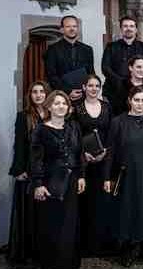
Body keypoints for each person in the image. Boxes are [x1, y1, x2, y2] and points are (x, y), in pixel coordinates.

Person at [103, 86, 143, 267]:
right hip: (126, 175)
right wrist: (107, 177)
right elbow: (110, 152)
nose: (140, 104)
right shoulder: (118, 122)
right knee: (127, 211)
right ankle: (128, 250)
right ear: (130, 100)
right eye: (136, 100)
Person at [31, 90, 86, 269]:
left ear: (68, 107)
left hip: (71, 182)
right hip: (50, 183)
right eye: (56, 103)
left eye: (64, 103)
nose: (61, 106)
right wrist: (38, 184)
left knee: (69, 225)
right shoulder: (41, 129)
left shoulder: (74, 127)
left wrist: (81, 176)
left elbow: (79, 155)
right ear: (49, 106)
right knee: (51, 226)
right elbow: (36, 159)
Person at [8, 81, 49, 266]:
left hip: (48, 171)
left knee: (45, 214)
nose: (38, 95)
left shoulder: (53, 114)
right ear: (29, 95)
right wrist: (18, 170)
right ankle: (28, 252)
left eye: (42, 91)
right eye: (34, 92)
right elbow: (19, 146)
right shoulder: (23, 116)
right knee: (28, 213)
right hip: (28, 170)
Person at [73, 75, 115, 255]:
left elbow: (111, 133)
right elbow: (74, 135)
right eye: (90, 85)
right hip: (85, 163)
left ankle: (103, 245)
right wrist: (84, 154)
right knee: (86, 203)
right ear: (84, 87)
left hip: (104, 160)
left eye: (97, 86)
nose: (93, 89)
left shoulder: (107, 107)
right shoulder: (76, 109)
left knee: (103, 202)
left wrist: (106, 152)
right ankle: (86, 246)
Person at [102, 16, 143, 103]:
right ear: (121, 29)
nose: (128, 28)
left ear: (136, 29)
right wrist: (121, 82)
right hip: (114, 90)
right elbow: (105, 68)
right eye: (125, 26)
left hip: (139, 90)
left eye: (131, 26)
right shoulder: (111, 47)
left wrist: (135, 83)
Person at [44, 15, 95, 101]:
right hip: (62, 96)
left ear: (77, 28)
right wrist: (68, 91)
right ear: (62, 29)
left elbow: (91, 72)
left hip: (84, 96)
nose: (72, 29)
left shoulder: (87, 49)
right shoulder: (52, 49)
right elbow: (51, 75)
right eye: (68, 26)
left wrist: (90, 89)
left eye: (74, 26)